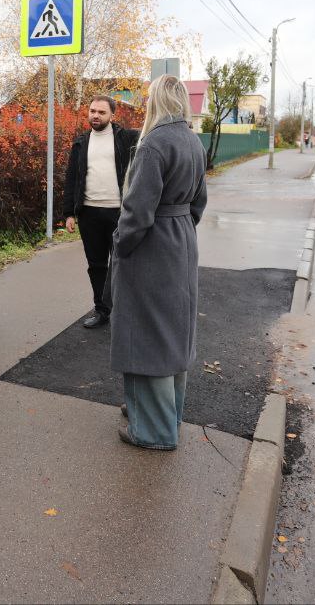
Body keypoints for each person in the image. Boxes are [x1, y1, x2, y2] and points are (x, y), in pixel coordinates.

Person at [111, 75, 208, 450]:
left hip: (153, 245)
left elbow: (137, 212)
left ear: (156, 101)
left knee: (145, 333)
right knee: (172, 330)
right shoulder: (192, 141)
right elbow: (199, 202)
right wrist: (180, 226)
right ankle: (166, 416)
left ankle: (151, 430)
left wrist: (121, 243)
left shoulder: (153, 143)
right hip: (182, 239)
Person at [62, 95, 140, 329]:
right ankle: (102, 310)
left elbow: (150, 136)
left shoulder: (126, 139)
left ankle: (125, 312)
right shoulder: (80, 142)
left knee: (122, 263)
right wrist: (69, 213)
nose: (95, 115)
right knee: (96, 265)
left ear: (112, 116)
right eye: (92, 111)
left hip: (119, 213)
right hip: (89, 213)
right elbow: (71, 179)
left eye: (101, 112)